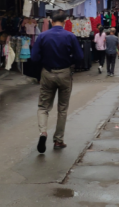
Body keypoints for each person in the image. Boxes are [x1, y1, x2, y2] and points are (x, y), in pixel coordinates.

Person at [31, 11, 84, 153]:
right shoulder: (70, 36)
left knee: (43, 107)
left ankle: (43, 132)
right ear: (65, 21)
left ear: (51, 21)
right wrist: (70, 62)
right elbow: (79, 56)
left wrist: (44, 62)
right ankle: (58, 140)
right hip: (65, 73)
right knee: (62, 108)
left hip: (47, 72)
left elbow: (34, 57)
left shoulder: (42, 36)